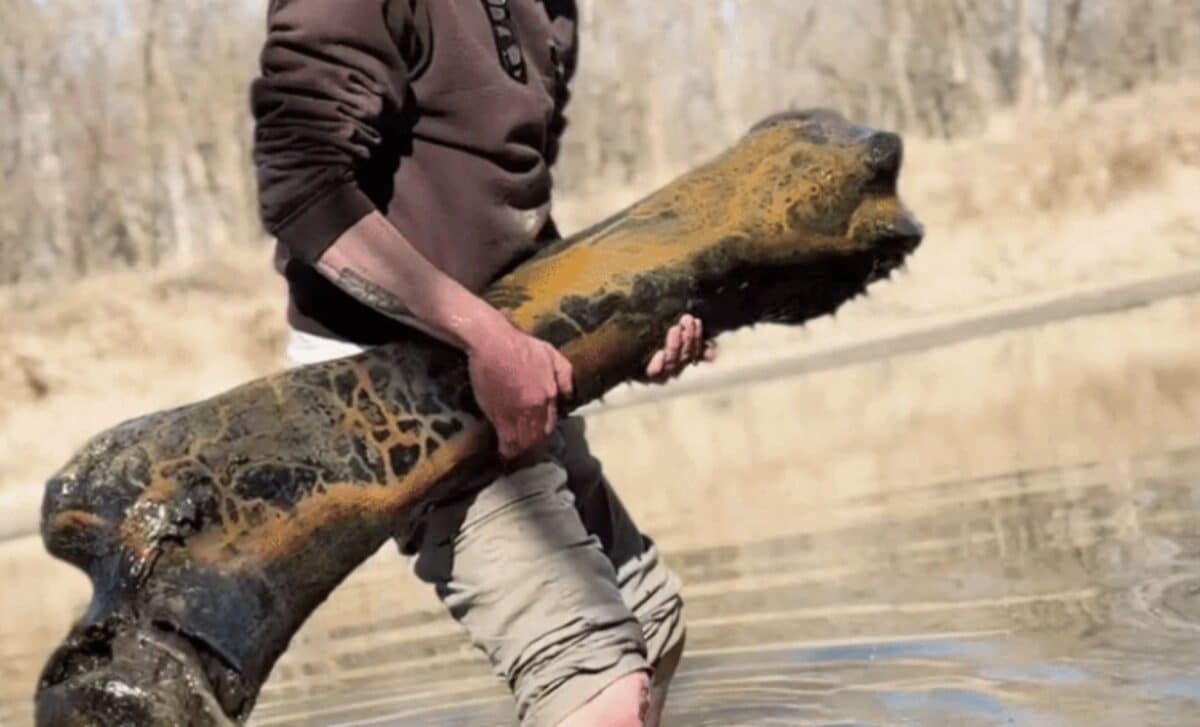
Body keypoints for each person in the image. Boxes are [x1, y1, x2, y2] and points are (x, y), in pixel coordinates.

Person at [251, 2, 714, 725]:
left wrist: (626, 324)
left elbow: (503, 200)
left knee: (652, 628)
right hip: (385, 379)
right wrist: (481, 337)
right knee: (601, 694)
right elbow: (301, 188)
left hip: (499, 348)